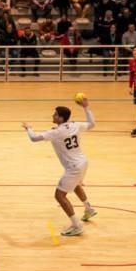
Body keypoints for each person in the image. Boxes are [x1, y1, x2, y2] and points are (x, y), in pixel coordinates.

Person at [22, 98, 97, 236]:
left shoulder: (56, 132)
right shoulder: (74, 125)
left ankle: (76, 225)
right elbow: (92, 124)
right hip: (83, 162)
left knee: (59, 195)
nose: (53, 115)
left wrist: (28, 128)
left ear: (61, 118)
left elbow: (34, 138)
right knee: (75, 185)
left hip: (73, 167)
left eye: (55, 114)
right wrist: (86, 107)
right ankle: (89, 209)